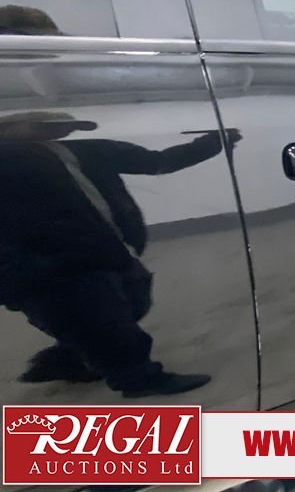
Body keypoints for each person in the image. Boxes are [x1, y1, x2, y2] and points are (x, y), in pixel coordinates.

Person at [0, 111, 241, 397]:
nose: (62, 130)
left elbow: (158, 161)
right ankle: (139, 379)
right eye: (45, 125)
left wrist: (212, 143)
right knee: (103, 321)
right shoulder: (8, 160)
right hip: (46, 266)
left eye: (67, 126)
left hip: (110, 251)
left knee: (133, 300)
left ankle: (68, 360)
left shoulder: (89, 150)